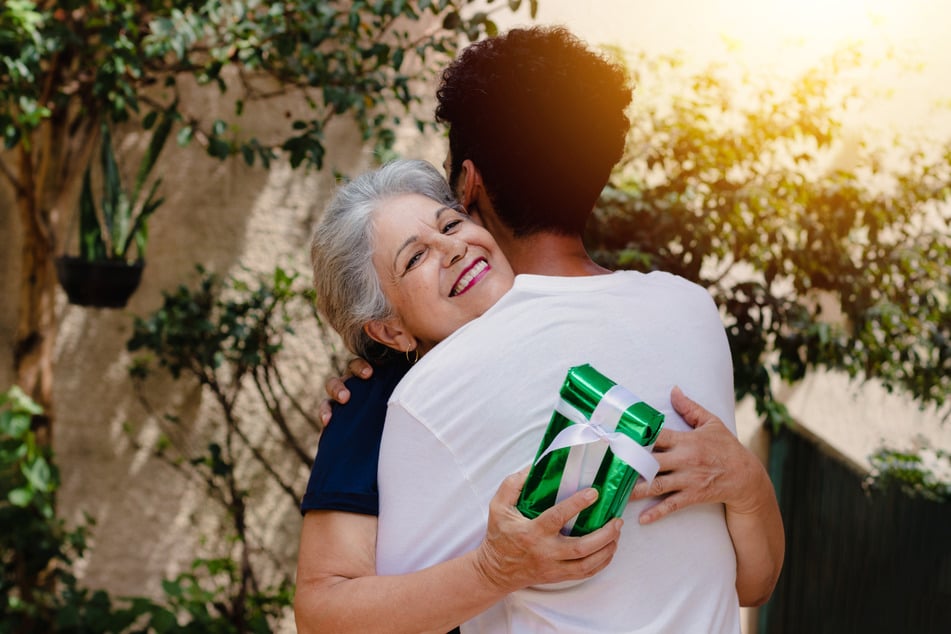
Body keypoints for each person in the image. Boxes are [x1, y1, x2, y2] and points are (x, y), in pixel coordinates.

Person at [367, 25, 784, 632]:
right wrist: (750, 485)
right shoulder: (690, 311)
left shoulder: (431, 391)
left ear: (468, 183)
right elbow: (752, 582)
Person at [294, 158, 625, 634]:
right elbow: (322, 613)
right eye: (414, 258)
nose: (452, 248)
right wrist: (492, 570)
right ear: (390, 329)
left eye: (451, 223)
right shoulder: (372, 407)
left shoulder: (590, 321)